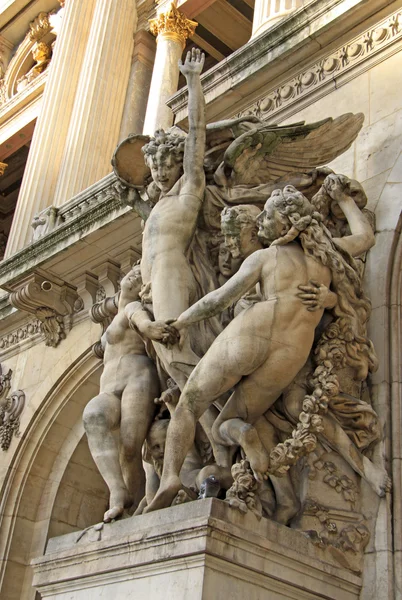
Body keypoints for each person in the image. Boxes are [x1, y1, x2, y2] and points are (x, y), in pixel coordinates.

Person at [144, 184, 386, 513]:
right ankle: (245, 432)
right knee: (233, 420)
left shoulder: (267, 256)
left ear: (285, 223)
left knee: (189, 404)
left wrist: (181, 321)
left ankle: (171, 477)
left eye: (267, 217)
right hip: (292, 351)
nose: (261, 222)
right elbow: (366, 238)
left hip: (254, 331)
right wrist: (343, 201)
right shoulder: (327, 257)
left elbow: (219, 299)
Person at [83, 265, 175, 522]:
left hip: (138, 378)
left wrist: (150, 329)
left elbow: (141, 322)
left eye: (139, 274)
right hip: (110, 386)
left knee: (131, 446)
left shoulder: (134, 308)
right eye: (131, 273)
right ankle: (118, 490)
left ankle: (128, 502)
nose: (133, 275)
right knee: (93, 416)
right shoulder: (116, 315)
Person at [139, 48, 206, 389]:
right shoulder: (157, 207)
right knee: (173, 367)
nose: (161, 172)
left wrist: (193, 81)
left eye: (167, 164)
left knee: (176, 354)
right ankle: (215, 426)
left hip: (170, 273)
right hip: (149, 286)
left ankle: (228, 419)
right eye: (155, 167)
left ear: (179, 163)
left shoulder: (188, 189)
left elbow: (196, 133)